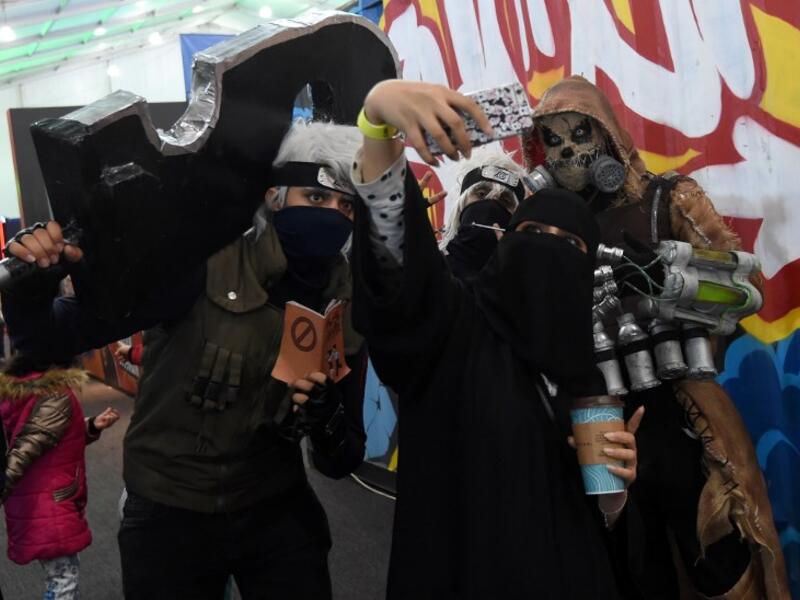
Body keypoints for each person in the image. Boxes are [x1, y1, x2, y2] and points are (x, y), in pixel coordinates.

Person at [1, 120, 368, 599]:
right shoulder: (202, 264)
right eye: (315, 197)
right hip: (170, 506)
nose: (333, 215)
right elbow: (51, 336)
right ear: (275, 197)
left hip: (273, 501)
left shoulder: (344, 302)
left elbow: (341, 459)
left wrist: (326, 416)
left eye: (346, 205)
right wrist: (31, 287)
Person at [348, 79, 642, 598]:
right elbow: (397, 266)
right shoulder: (453, 330)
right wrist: (378, 127)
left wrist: (613, 495)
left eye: (570, 244)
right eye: (534, 235)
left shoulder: (584, 381)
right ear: (506, 243)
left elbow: (597, 525)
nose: (549, 251)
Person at [522, 75, 789, 598]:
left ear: (609, 135)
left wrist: (667, 280)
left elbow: (747, 290)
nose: (568, 151)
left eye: (580, 133)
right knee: (630, 569)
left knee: (720, 559)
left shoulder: (667, 198)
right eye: (552, 140)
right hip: (597, 417)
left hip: (681, 410)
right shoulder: (549, 225)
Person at [0, 355, 119, 600]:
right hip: (49, 507)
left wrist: (91, 426)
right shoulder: (55, 396)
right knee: (63, 580)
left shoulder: (32, 393)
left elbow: (52, 437)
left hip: (37, 502)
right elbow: (23, 453)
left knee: (62, 576)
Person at [439, 148, 527, 281]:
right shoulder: (430, 266)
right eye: (481, 194)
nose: (490, 206)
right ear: (462, 202)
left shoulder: (522, 280)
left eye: (504, 201)